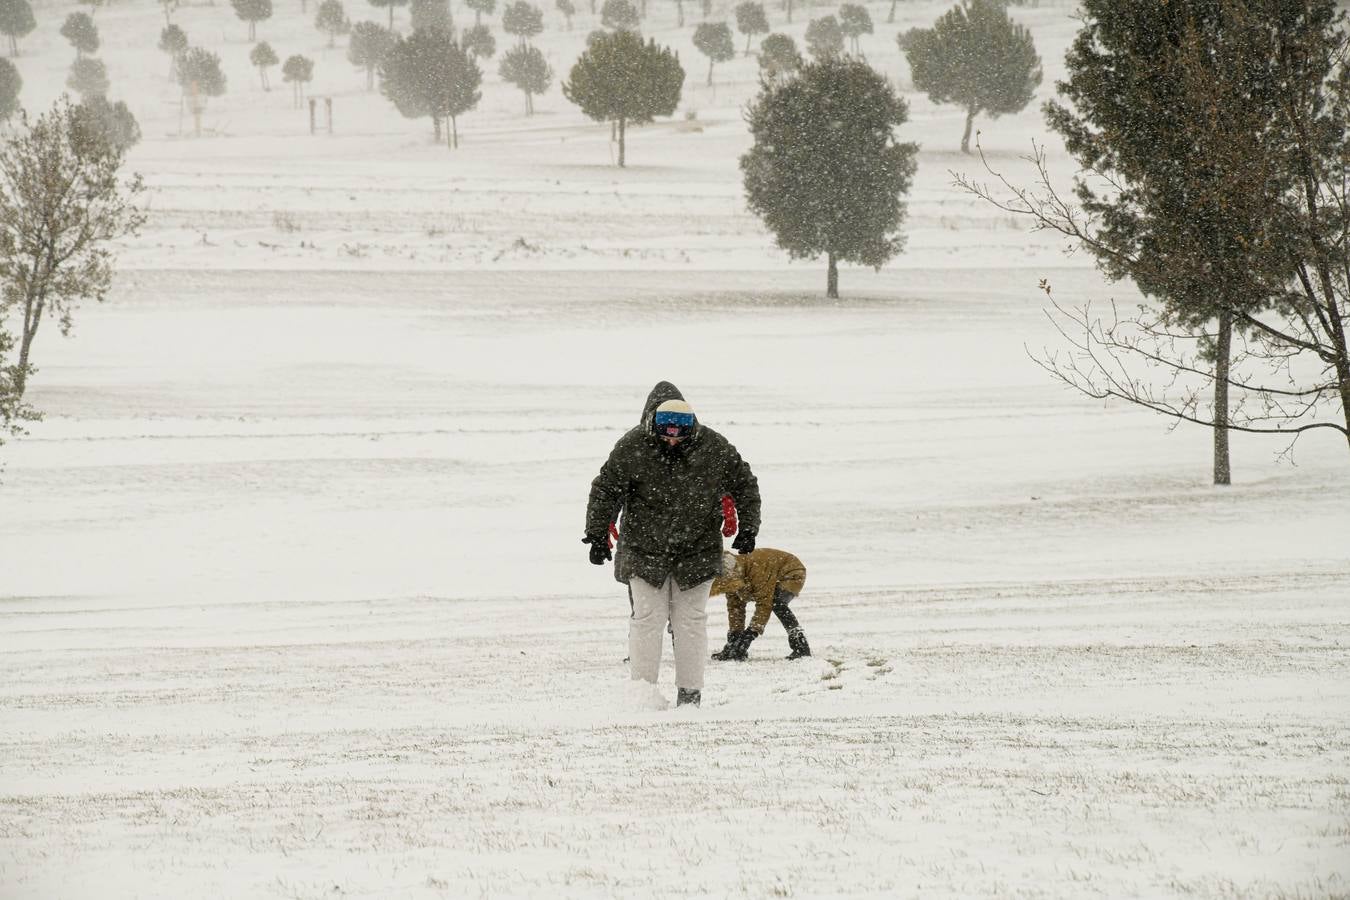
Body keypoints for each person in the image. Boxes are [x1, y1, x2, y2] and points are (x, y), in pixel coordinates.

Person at [584, 382, 761, 708]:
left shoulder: (714, 446)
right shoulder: (633, 445)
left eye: (680, 433)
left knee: (690, 620)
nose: (672, 439)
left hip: (697, 551)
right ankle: (642, 695)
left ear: (691, 428)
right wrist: (596, 534)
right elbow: (606, 487)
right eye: (666, 432)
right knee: (647, 619)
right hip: (643, 550)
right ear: (653, 424)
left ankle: (690, 697)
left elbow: (744, 484)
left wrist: (749, 528)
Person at [709, 548, 811, 661]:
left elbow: (764, 603)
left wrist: (750, 634)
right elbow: (735, 608)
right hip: (769, 572)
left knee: (776, 603)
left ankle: (800, 645)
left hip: (791, 572)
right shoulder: (728, 577)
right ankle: (734, 647)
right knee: (738, 604)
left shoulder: (756, 569)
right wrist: (735, 638)